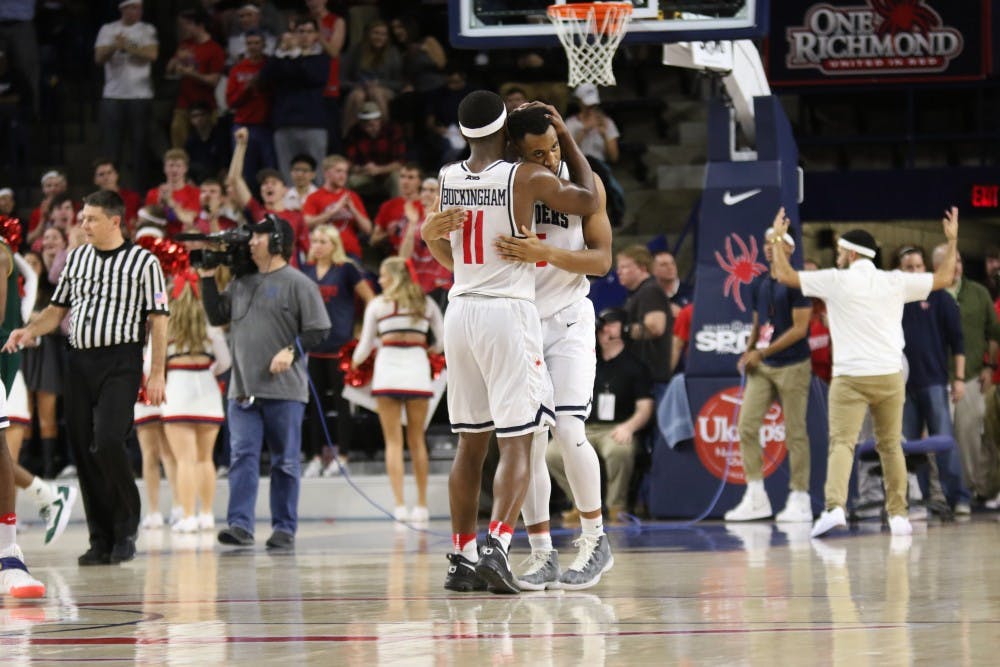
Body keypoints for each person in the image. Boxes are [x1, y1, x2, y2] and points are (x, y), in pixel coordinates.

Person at [421, 90, 599, 594]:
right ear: (505, 132)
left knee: (469, 445)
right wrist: (565, 136)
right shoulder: (523, 176)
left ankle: (461, 555)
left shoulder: (447, 179)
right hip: (507, 311)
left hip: (460, 309)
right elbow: (589, 199)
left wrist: (426, 233)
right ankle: (499, 544)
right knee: (519, 441)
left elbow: (445, 248)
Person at [767, 206, 959, 539]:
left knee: (842, 443)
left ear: (852, 253)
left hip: (850, 377)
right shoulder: (894, 281)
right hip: (889, 375)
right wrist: (952, 240)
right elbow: (944, 278)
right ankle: (898, 515)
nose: (838, 254)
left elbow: (784, 275)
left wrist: (779, 240)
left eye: (841, 250)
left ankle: (835, 508)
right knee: (890, 445)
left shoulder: (835, 279)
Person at [4, 189, 170, 565]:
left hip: (122, 361)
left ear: (115, 221)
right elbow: (55, 310)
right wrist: (29, 331)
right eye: (82, 218)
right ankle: (101, 538)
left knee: (109, 440)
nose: (83, 225)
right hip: (78, 361)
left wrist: (157, 371)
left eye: (91, 219)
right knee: (81, 447)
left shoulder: (144, 262)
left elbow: (159, 320)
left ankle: (126, 526)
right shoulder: (77, 259)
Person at [492, 103, 614, 590]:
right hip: (521, 323)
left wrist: (547, 253)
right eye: (537, 153)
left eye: (554, 148)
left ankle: (595, 538)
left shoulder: (586, 185)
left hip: (568, 321)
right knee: (530, 440)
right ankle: (541, 552)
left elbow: (602, 261)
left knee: (568, 428)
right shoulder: (503, 184)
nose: (548, 158)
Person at [199, 214, 331, 551]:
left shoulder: (299, 283)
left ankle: (284, 527)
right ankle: (240, 525)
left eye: (257, 237)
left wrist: (291, 350)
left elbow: (319, 329)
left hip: (285, 390)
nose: (250, 242)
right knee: (242, 455)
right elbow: (217, 316)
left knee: (285, 461)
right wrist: (207, 277)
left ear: (275, 242)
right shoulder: (241, 282)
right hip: (242, 389)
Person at [724, 225, 814, 523]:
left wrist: (761, 352)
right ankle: (756, 495)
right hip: (763, 366)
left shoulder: (798, 283)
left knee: (795, 432)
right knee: (746, 426)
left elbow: (800, 329)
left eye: (774, 242)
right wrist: (749, 351)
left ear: (789, 249)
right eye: (765, 242)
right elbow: (756, 322)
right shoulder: (759, 282)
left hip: (793, 365)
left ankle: (800, 497)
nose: (767, 247)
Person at [352, 257, 443, 521]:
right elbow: (443, 338)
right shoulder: (425, 304)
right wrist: (429, 350)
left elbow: (365, 346)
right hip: (417, 372)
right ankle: (423, 506)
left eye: (382, 276)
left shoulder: (378, 306)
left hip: (388, 372)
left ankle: (400, 506)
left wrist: (353, 364)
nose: (379, 281)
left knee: (393, 442)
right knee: (417, 441)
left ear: (393, 277)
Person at [545, 307, 653, 526]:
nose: (604, 330)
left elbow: (645, 406)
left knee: (618, 451)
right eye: (602, 326)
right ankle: (579, 503)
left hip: (615, 427)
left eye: (611, 324)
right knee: (552, 453)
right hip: (586, 427)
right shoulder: (589, 362)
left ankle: (616, 506)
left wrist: (629, 428)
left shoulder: (635, 366)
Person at [896, 245, 968, 515]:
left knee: (944, 442)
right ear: (900, 271)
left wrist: (959, 378)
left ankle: (958, 497)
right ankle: (928, 499)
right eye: (908, 267)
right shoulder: (896, 299)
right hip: (904, 385)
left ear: (925, 268)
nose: (914, 271)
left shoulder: (940, 297)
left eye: (918, 266)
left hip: (935, 381)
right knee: (911, 448)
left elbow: (957, 341)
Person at [300, 224, 374, 475]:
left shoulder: (346, 269)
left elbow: (371, 300)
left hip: (341, 347)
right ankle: (315, 456)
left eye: (323, 241)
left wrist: (362, 330)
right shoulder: (306, 271)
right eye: (315, 240)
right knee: (313, 404)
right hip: (313, 347)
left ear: (334, 245)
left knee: (343, 404)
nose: (317, 245)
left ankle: (343, 454)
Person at [930, 243, 1000, 506]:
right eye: (951, 260)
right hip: (936, 379)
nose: (957, 265)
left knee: (970, 438)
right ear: (938, 266)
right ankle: (942, 494)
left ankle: (969, 491)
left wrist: (989, 366)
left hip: (971, 376)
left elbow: (993, 332)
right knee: (938, 441)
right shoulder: (928, 293)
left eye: (959, 260)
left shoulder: (979, 293)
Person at [161, 271, 229, 532]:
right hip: (207, 391)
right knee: (205, 459)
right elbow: (225, 361)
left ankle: (188, 516)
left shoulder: (167, 324)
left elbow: (148, 366)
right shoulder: (211, 323)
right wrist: (207, 372)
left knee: (184, 461)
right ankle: (207, 515)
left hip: (177, 390)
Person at [94, 0, 158, 192]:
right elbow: (99, 57)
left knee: (139, 147)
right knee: (112, 149)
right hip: (113, 95)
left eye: (139, 7)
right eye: (132, 7)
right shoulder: (108, 29)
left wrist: (127, 45)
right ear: (123, 9)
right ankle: (110, 191)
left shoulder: (147, 29)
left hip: (140, 95)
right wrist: (115, 45)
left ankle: (139, 192)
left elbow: (152, 54)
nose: (137, 11)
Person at [260, 14, 329, 186]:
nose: (305, 35)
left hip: (313, 123)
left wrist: (296, 54)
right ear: (293, 33)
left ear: (316, 35)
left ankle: (317, 210)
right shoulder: (283, 58)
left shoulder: (320, 58)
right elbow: (264, 78)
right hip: (285, 122)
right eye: (300, 31)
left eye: (309, 31)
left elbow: (311, 77)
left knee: (317, 175)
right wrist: (279, 52)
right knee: (287, 174)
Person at [165, 9, 225, 149]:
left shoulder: (214, 49)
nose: (183, 28)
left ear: (199, 25)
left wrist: (193, 74)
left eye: (187, 24)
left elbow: (214, 81)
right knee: (178, 139)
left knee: (209, 145)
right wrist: (176, 60)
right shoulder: (185, 44)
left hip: (206, 105)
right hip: (183, 104)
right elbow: (169, 70)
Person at [616, 245, 673, 386]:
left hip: (652, 380)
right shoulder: (638, 293)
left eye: (624, 267)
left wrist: (622, 330)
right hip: (642, 378)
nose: (618, 272)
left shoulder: (650, 291)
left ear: (642, 268)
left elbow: (655, 327)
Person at [398, 177, 452, 312]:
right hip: (416, 285)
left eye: (432, 190)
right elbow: (403, 258)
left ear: (441, 194)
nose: (426, 193)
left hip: (440, 284)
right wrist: (412, 224)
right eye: (423, 190)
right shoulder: (413, 219)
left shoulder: (446, 219)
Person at [302, 154, 371, 259]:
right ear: (326, 173)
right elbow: (306, 223)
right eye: (338, 171)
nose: (343, 176)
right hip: (325, 254)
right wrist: (334, 211)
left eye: (345, 172)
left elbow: (368, 229)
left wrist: (353, 210)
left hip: (350, 253)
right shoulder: (314, 197)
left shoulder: (352, 197)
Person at [652, 250, 692, 316]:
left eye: (672, 263)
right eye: (664, 265)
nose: (670, 267)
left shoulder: (692, 293)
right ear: (653, 270)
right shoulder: (648, 294)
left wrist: (682, 314)